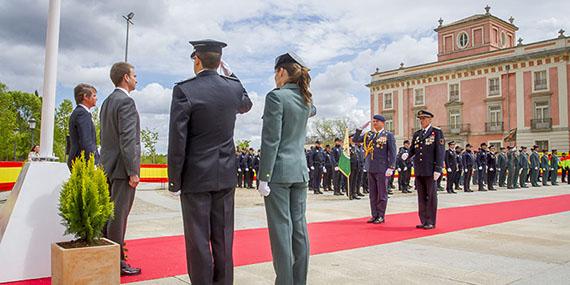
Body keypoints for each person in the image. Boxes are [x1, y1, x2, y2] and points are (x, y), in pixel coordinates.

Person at [167, 39, 252, 285]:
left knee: (198, 240)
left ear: (197, 59)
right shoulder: (233, 88)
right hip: (225, 175)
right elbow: (246, 103)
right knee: (224, 238)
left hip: (196, 177)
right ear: (219, 61)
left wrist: (175, 180)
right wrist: (232, 75)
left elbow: (177, 139)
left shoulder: (184, 90)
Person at [257, 52, 315, 285]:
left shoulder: (276, 98)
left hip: (279, 173)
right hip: (300, 171)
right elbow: (313, 110)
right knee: (299, 229)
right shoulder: (305, 99)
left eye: (275, 73)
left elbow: (271, 140)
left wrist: (264, 177)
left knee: (281, 231)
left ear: (281, 72)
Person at [100, 62, 141, 276]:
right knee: (118, 216)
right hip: (122, 170)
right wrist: (133, 170)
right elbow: (128, 139)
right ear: (125, 77)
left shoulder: (106, 102)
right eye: (134, 75)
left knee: (108, 215)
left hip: (107, 166)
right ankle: (117, 262)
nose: (136, 79)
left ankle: (105, 255)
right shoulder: (126, 102)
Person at [403, 110, 444, 229]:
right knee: (421, 196)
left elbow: (440, 151)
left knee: (431, 196)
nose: (422, 121)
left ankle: (430, 221)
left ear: (430, 119)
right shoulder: (417, 134)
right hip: (419, 169)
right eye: (420, 119)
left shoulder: (436, 132)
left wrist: (438, 168)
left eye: (424, 119)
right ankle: (423, 220)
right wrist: (407, 155)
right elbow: (413, 149)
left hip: (431, 169)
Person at [353, 114, 397, 224]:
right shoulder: (370, 135)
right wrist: (360, 129)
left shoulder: (388, 135)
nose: (375, 123)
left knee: (382, 193)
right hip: (371, 167)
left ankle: (381, 215)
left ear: (383, 123)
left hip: (382, 168)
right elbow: (355, 139)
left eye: (377, 121)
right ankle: (374, 215)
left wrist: (391, 167)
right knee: (373, 194)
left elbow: (392, 152)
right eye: (373, 121)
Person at [67, 83, 100, 170]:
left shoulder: (79, 112)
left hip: (79, 160)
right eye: (94, 95)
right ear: (85, 96)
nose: (96, 98)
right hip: (83, 162)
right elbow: (86, 140)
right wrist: (93, 162)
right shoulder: (82, 114)